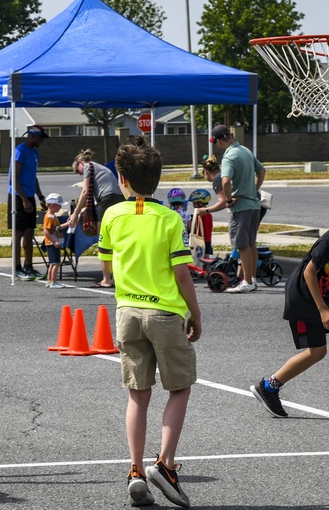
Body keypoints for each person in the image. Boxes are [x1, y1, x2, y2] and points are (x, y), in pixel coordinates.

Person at [97, 139, 201, 509]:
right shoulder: (170, 218)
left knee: (138, 395)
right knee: (180, 386)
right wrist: (196, 313)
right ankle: (166, 463)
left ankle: (136, 470)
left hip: (126, 312)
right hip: (165, 313)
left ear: (121, 179)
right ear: (157, 181)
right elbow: (182, 273)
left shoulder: (112, 215)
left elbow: (106, 266)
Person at [251, 203, 329, 419]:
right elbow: (309, 272)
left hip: (325, 293)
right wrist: (322, 310)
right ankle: (268, 387)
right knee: (317, 351)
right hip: (304, 295)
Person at [209, 125, 265, 294]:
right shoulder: (245, 151)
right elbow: (261, 171)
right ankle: (253, 279)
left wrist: (228, 199)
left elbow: (225, 181)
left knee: (241, 245)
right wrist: (253, 190)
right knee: (250, 243)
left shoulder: (229, 157)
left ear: (218, 141)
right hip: (254, 205)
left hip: (240, 207)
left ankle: (247, 281)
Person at [63, 149, 122, 288]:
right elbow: (100, 195)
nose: (80, 174)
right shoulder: (98, 167)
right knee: (114, 239)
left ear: (80, 163)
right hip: (115, 198)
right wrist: (84, 209)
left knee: (103, 240)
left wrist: (75, 214)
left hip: (108, 199)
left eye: (78, 171)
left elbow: (85, 192)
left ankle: (106, 280)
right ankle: (117, 276)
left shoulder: (88, 166)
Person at [8, 125, 48, 281]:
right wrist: (24, 199)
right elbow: (14, 177)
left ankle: (28, 266)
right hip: (18, 196)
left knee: (30, 232)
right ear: (32, 136)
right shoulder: (20, 151)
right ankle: (16, 268)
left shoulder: (34, 152)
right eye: (40, 138)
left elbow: (33, 176)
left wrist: (40, 196)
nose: (42, 141)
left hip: (29, 195)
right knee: (18, 233)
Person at [42, 193, 66, 289]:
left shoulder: (52, 216)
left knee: (53, 263)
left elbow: (56, 228)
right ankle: (53, 281)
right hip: (52, 243)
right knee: (56, 263)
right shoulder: (49, 217)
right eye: (59, 205)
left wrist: (67, 224)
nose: (60, 207)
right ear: (52, 205)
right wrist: (54, 241)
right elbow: (46, 231)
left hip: (53, 242)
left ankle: (49, 280)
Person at [187, 189, 214, 258]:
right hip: (208, 240)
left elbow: (193, 227)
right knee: (207, 260)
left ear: (200, 203)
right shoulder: (209, 214)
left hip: (199, 241)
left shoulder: (200, 215)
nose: (193, 205)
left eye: (194, 203)